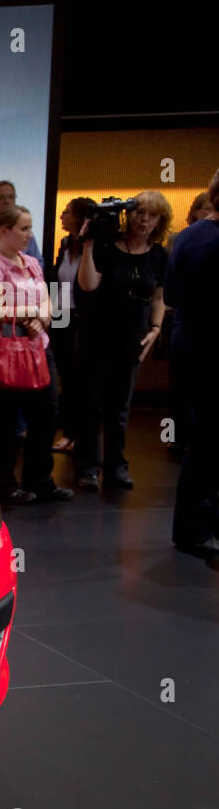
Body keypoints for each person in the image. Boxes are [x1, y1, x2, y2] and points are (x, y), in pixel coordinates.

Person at [0, 206, 73, 504]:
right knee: (0, 421)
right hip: (0, 350)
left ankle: (40, 480)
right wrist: (29, 313)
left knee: (46, 416)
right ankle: (2, 484)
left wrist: (39, 318)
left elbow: (47, 305)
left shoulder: (31, 263)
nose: (30, 235)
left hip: (36, 347)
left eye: (30, 228)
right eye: (24, 228)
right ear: (4, 231)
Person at [74, 191, 170, 490]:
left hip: (134, 335)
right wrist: (88, 247)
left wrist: (155, 328)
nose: (144, 220)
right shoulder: (106, 247)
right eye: (140, 213)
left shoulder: (159, 256)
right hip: (98, 332)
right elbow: (88, 285)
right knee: (92, 404)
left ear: (159, 221)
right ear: (129, 215)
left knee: (120, 406)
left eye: (152, 215)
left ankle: (117, 465)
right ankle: (88, 467)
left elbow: (159, 295)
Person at [167, 169, 219, 558]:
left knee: (204, 441)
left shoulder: (186, 236)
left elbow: (171, 294)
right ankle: (197, 529)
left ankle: (195, 527)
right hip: (211, 350)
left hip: (190, 347)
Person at [47, 197, 98, 452]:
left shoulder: (96, 246)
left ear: (80, 217)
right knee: (66, 377)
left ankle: (81, 435)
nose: (61, 217)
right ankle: (68, 432)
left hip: (85, 320)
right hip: (63, 317)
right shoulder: (65, 244)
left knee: (83, 381)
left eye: (66, 212)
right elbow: (57, 281)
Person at [0, 180, 44, 267]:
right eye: (1, 198)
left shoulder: (25, 233)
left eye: (11, 197)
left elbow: (38, 263)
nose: (7, 201)